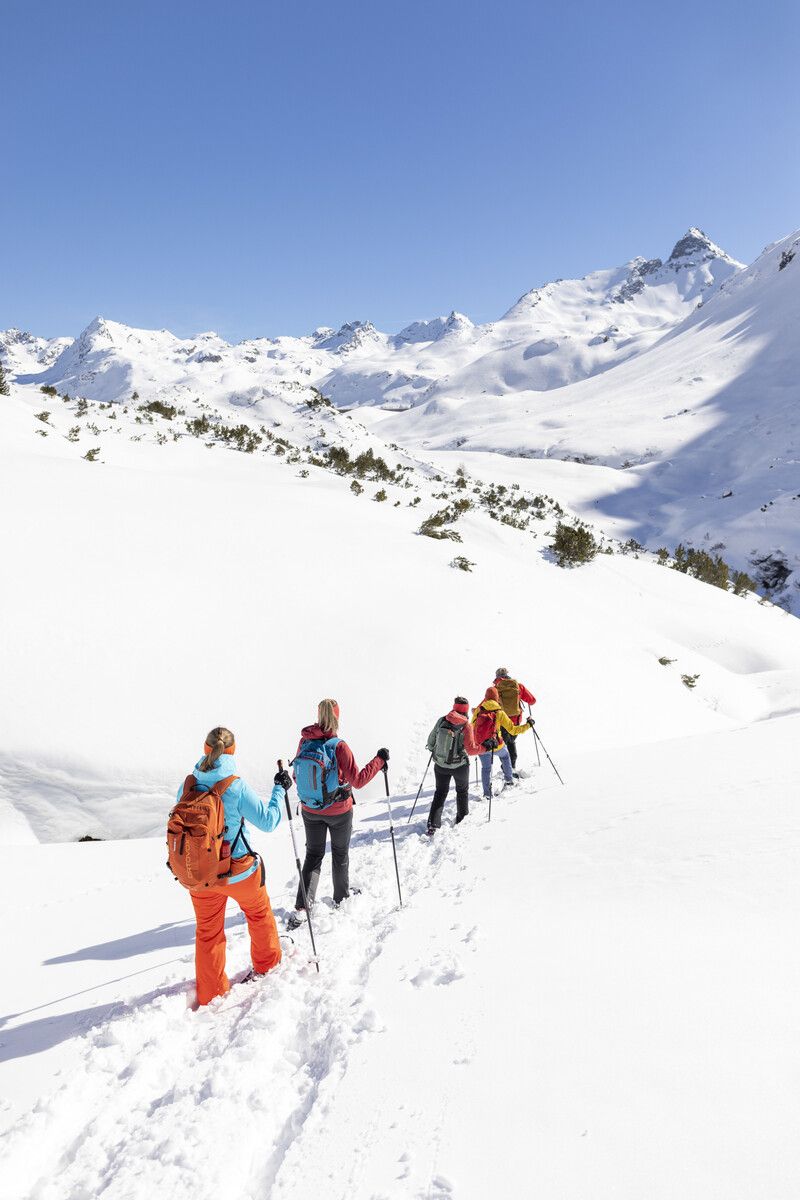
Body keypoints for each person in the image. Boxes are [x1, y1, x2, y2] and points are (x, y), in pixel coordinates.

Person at [180, 726, 284, 1006]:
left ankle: (211, 994)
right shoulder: (234, 786)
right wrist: (279, 789)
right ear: (233, 751)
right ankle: (267, 965)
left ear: (205, 749)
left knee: (208, 932)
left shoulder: (188, 784)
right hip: (238, 871)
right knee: (259, 914)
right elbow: (269, 821)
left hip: (201, 875)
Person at [287, 698, 387, 929]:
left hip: (310, 809)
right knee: (340, 854)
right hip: (339, 811)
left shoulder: (304, 741)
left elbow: (297, 775)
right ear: (337, 717)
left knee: (313, 855)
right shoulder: (339, 746)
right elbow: (359, 780)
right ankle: (341, 898)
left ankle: (303, 906)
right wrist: (379, 760)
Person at [425, 695, 481, 836]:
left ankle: (433, 824)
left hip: (440, 765)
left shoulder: (443, 720)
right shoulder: (466, 726)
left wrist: (436, 752)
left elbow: (431, 741)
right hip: (460, 766)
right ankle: (461, 819)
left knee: (440, 793)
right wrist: (485, 747)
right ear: (466, 709)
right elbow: (471, 749)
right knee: (462, 792)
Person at [472, 687, 532, 798]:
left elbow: (472, 727)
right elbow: (513, 730)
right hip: (497, 744)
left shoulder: (479, 710)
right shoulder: (499, 712)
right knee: (505, 756)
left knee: (486, 769)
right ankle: (509, 780)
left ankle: (487, 794)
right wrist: (528, 725)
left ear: (485, 697)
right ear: (497, 697)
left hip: (482, 746)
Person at [492, 667, 536, 774]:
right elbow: (532, 700)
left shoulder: (494, 689)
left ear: (497, 676)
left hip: (501, 721)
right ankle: (511, 767)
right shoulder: (518, 686)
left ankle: (507, 768)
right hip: (516, 720)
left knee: (504, 745)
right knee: (511, 742)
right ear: (507, 674)